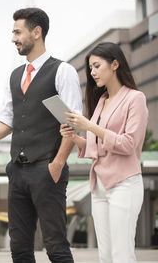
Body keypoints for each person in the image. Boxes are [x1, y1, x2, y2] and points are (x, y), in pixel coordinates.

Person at [0, 7, 82, 263]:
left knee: (55, 246)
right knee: (20, 248)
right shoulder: (15, 76)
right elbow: (6, 123)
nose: (13, 38)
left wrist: (57, 164)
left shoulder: (62, 71)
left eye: (17, 31)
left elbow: (72, 123)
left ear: (36, 32)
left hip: (47, 168)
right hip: (18, 170)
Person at [60, 42, 148, 263]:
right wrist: (74, 137)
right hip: (99, 185)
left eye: (97, 66)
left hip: (124, 184)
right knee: (105, 255)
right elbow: (96, 146)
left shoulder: (135, 99)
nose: (92, 72)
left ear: (115, 64)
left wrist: (89, 126)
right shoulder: (101, 100)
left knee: (122, 254)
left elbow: (128, 144)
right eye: (90, 68)